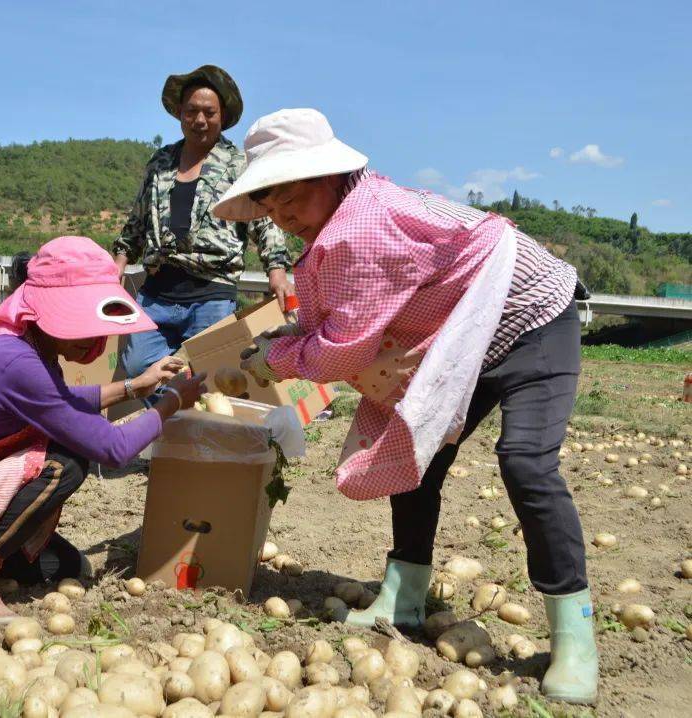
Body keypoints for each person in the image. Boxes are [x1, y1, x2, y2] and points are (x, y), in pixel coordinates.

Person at [215, 109, 597, 705]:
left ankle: (575, 640)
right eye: (269, 206)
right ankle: (406, 597)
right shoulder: (333, 231)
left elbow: (343, 348)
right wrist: (286, 344)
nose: (282, 217)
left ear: (328, 175)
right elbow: (337, 321)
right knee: (412, 447)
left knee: (526, 462)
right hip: (466, 331)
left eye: (288, 197)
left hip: (531, 318)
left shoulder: (360, 228)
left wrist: (275, 359)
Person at [0, 236, 206, 622]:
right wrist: (172, 401)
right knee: (68, 459)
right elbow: (114, 449)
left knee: (66, 566)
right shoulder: (16, 362)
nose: (95, 339)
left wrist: (136, 385)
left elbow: (62, 402)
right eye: (82, 324)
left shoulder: (22, 345)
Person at [113, 65, 293, 378]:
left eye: (209, 113)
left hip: (211, 294)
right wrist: (116, 264)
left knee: (207, 377)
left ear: (222, 116)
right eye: (191, 111)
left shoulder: (239, 164)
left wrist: (277, 272)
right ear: (180, 114)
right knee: (138, 369)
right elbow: (137, 223)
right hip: (156, 292)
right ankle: (166, 423)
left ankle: (187, 422)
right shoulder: (161, 162)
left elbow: (265, 223)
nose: (199, 120)